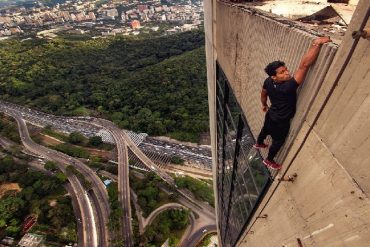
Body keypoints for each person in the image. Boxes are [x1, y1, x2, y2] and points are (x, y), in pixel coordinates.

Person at [254, 36, 331, 170]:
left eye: (286, 69)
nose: (287, 73)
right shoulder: (288, 86)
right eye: (282, 72)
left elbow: (263, 93)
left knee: (265, 129)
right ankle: (269, 160)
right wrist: (316, 44)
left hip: (271, 114)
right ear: (274, 76)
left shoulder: (268, 81)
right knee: (278, 141)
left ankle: (259, 143)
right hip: (281, 120)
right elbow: (304, 65)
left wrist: (264, 105)